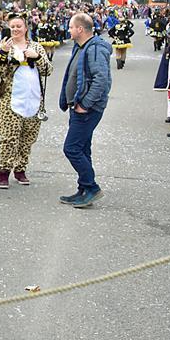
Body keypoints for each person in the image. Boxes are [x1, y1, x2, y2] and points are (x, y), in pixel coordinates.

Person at [58, 12, 113, 208]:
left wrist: (86, 104)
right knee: (82, 148)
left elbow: (101, 79)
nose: (69, 30)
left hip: (87, 109)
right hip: (78, 106)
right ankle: (83, 189)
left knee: (71, 148)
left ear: (80, 29)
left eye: (71, 27)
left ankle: (91, 187)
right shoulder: (81, 47)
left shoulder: (95, 49)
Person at [0, 14, 53, 187]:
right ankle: (3, 171)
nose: (15, 29)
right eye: (12, 27)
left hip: (33, 100)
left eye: (19, 26)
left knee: (27, 138)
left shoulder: (36, 47)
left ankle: (20, 170)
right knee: (9, 137)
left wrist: (37, 57)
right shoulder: (5, 47)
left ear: (26, 28)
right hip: (10, 100)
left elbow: (48, 71)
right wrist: (3, 54)